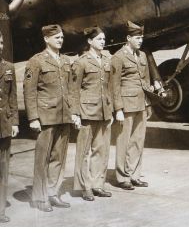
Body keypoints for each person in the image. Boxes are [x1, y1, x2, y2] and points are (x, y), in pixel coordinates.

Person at [24, 24, 74, 212]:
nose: (61, 40)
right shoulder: (36, 61)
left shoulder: (66, 61)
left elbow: (71, 90)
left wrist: (74, 112)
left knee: (59, 157)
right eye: (57, 37)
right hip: (46, 117)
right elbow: (29, 92)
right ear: (46, 39)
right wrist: (33, 118)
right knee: (42, 159)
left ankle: (53, 193)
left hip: (63, 116)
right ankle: (39, 197)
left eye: (62, 37)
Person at [70, 27, 113, 201]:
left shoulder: (106, 60)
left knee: (101, 150)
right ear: (89, 41)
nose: (102, 42)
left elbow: (109, 87)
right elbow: (74, 90)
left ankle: (97, 185)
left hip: (103, 111)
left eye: (104, 39)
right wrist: (75, 113)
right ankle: (85, 186)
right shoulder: (81, 62)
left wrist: (110, 111)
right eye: (99, 39)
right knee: (84, 152)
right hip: (86, 112)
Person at [110, 21, 153, 190]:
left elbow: (146, 80)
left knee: (138, 141)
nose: (140, 40)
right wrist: (118, 109)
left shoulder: (142, 56)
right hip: (126, 105)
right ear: (128, 38)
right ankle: (122, 177)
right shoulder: (118, 57)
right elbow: (114, 85)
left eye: (141, 37)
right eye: (137, 37)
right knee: (123, 141)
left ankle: (135, 174)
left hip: (141, 103)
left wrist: (148, 103)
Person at [0, 31, 18, 224]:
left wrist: (14, 122)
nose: (0, 46)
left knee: (3, 169)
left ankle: (1, 209)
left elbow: (13, 98)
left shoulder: (9, 68)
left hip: (4, 125)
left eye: (1, 42)